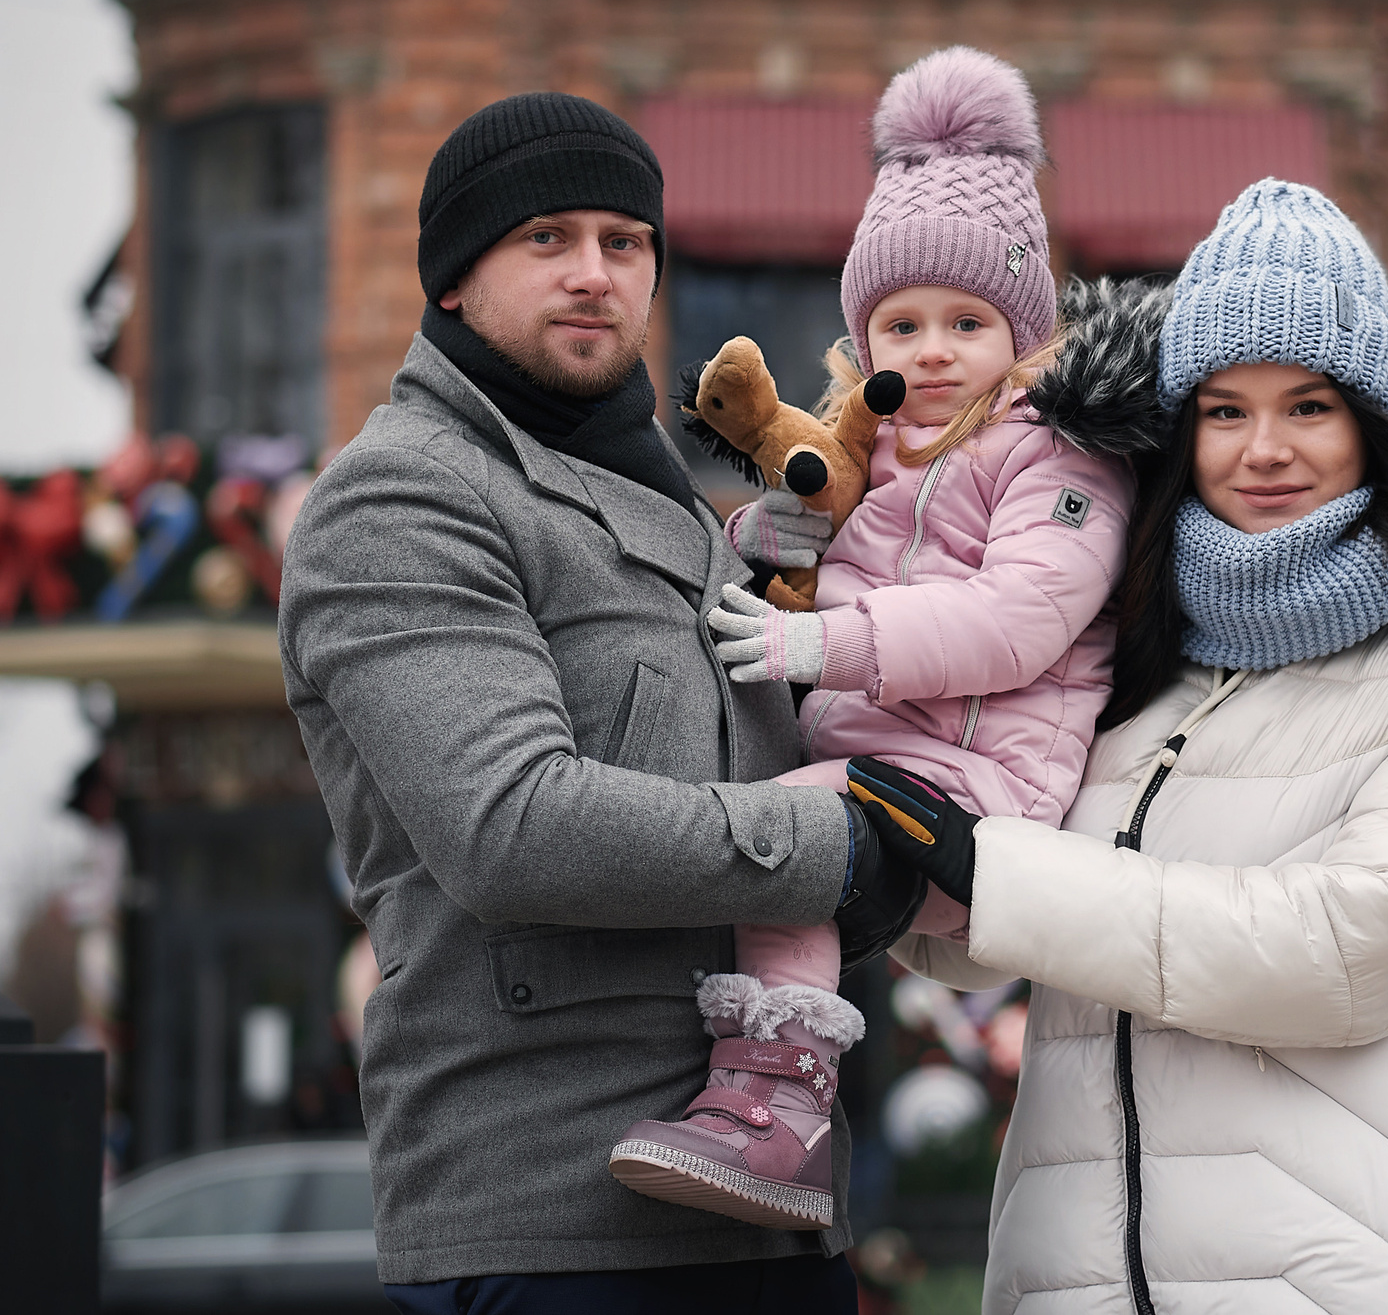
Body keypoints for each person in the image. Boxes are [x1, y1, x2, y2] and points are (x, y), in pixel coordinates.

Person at [862, 179, 1388, 1315]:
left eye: (1308, 406)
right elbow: (977, 942)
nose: (1264, 450)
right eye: (1224, 409)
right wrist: (879, 833)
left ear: (1374, 422)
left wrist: (991, 869)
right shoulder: (1127, 662)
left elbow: (1356, 945)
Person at [279, 94, 917, 1315]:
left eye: (625, 241)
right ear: (455, 277)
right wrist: (848, 846)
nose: (593, 273)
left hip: (772, 1211)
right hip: (559, 1211)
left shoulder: (691, 517)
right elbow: (510, 826)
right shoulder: (402, 495)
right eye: (547, 238)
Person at [611, 47, 1137, 1231]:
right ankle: (740, 1092)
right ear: (864, 337)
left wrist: (826, 647)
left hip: (981, 781)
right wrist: (768, 539)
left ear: (1024, 335)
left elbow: (1015, 622)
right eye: (902, 322)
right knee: (749, 821)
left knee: (783, 832)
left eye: (968, 319)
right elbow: (801, 563)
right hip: (877, 758)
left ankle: (779, 1106)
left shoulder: (1052, 456)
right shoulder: (865, 458)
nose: (934, 348)